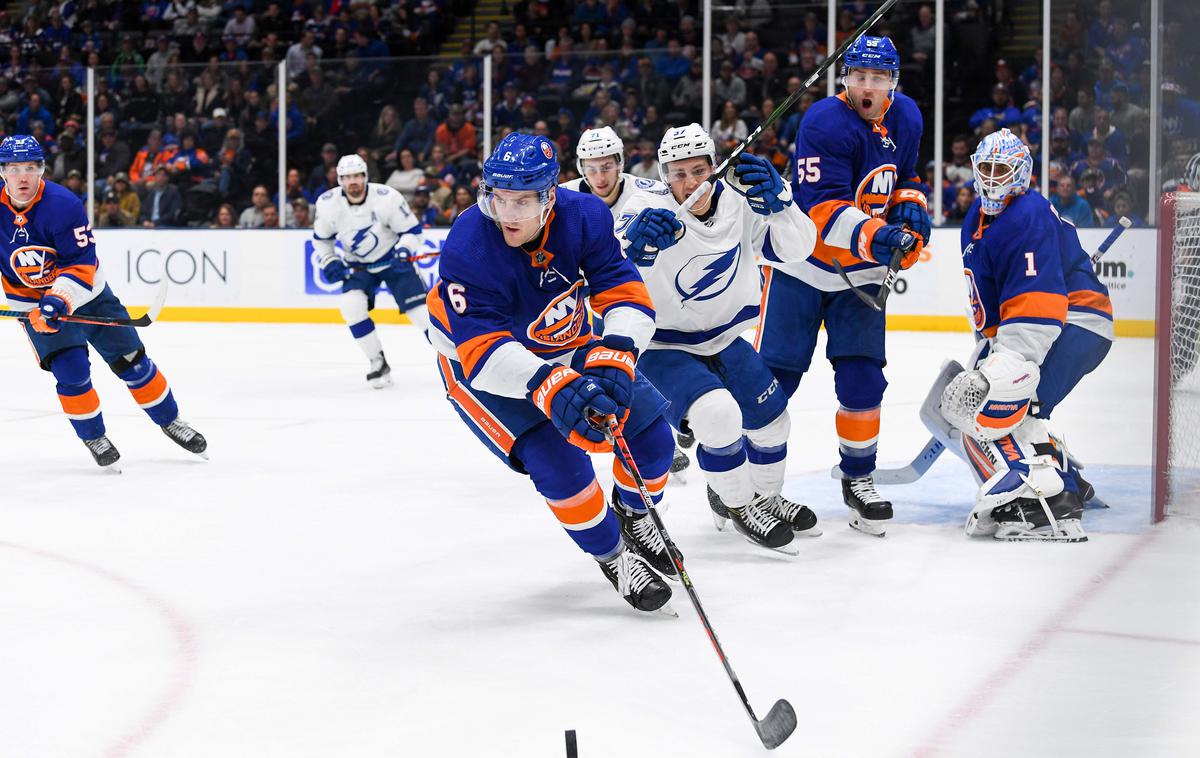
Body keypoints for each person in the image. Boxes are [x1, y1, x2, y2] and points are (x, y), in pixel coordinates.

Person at [426, 133, 676, 613]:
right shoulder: (468, 242)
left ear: (550, 195)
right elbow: (482, 349)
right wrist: (548, 384)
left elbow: (621, 286)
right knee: (562, 467)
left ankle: (634, 513)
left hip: (566, 339)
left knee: (653, 438)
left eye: (523, 200)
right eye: (499, 198)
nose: (509, 213)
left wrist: (618, 350)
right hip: (481, 367)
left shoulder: (584, 215)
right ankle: (614, 555)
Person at [617, 124, 822, 552]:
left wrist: (782, 205)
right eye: (678, 174)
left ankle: (767, 497)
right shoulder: (641, 210)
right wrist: (635, 251)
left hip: (726, 337)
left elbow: (799, 249)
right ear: (662, 175)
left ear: (715, 167)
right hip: (664, 347)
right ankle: (740, 505)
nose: (690, 183)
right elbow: (615, 279)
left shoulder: (741, 201)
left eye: (699, 170)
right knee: (717, 416)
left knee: (774, 423)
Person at [756, 36, 926, 537]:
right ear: (844, 78)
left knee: (863, 379)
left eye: (878, 78)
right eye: (859, 77)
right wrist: (881, 236)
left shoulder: (908, 117)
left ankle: (860, 479)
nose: (867, 87)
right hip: (802, 264)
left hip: (862, 273)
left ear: (893, 81)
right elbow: (822, 210)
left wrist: (911, 212)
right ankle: (748, 487)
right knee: (775, 380)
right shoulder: (823, 122)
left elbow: (907, 178)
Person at [934, 128, 1111, 541]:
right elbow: (995, 304)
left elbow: (1039, 307)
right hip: (1058, 321)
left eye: (1002, 170)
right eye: (986, 168)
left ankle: (1054, 504)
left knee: (1012, 405)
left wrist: (1001, 373)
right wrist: (991, 355)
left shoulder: (1027, 214)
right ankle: (1062, 477)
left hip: (1075, 322)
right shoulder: (976, 221)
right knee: (1013, 401)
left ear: (1021, 174)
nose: (993, 178)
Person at [0, 135, 206, 470]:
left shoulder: (62, 204)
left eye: (30, 167)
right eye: (13, 168)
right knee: (72, 373)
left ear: (41, 170)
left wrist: (60, 298)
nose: (22, 176)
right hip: (31, 304)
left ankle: (171, 421)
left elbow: (81, 263)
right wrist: (40, 307)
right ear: (2, 172)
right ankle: (94, 436)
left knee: (133, 363)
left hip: (88, 296)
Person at [558, 126, 693, 481]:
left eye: (606, 166)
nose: (599, 176)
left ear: (620, 162)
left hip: (647, 296)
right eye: (590, 167)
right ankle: (661, 425)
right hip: (590, 302)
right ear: (580, 167)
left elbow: (686, 221)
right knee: (615, 362)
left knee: (643, 360)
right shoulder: (561, 198)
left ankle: (671, 418)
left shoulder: (649, 193)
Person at [312, 154, 430, 388]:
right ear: (339, 180)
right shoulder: (327, 203)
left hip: (393, 262)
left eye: (357, 175)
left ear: (366, 176)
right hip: (358, 266)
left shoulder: (387, 198)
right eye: (347, 177)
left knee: (422, 314)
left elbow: (413, 232)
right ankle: (377, 362)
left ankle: (459, 361)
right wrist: (329, 260)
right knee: (350, 306)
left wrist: (404, 250)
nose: (353, 181)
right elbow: (322, 240)